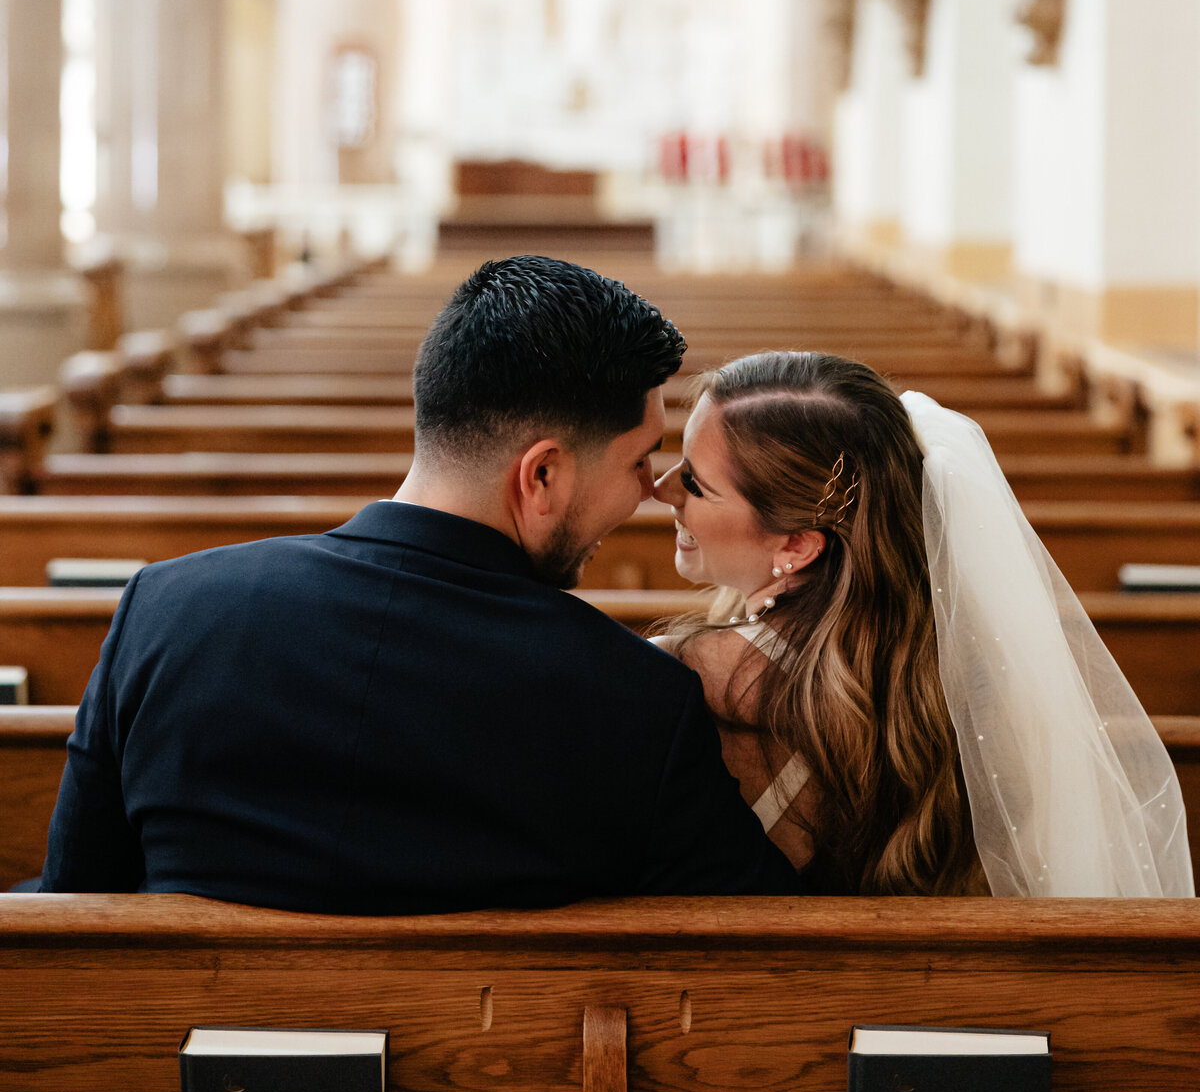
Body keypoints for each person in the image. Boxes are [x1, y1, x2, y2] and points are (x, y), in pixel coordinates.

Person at [41, 257, 797, 912]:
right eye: (638, 461)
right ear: (541, 475)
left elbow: (70, 904)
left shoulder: (166, 610)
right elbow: (756, 941)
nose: (649, 492)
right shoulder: (639, 700)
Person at [653, 350, 1194, 898]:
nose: (661, 488)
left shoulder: (672, 682)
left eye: (696, 484)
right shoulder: (969, 672)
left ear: (796, 544)